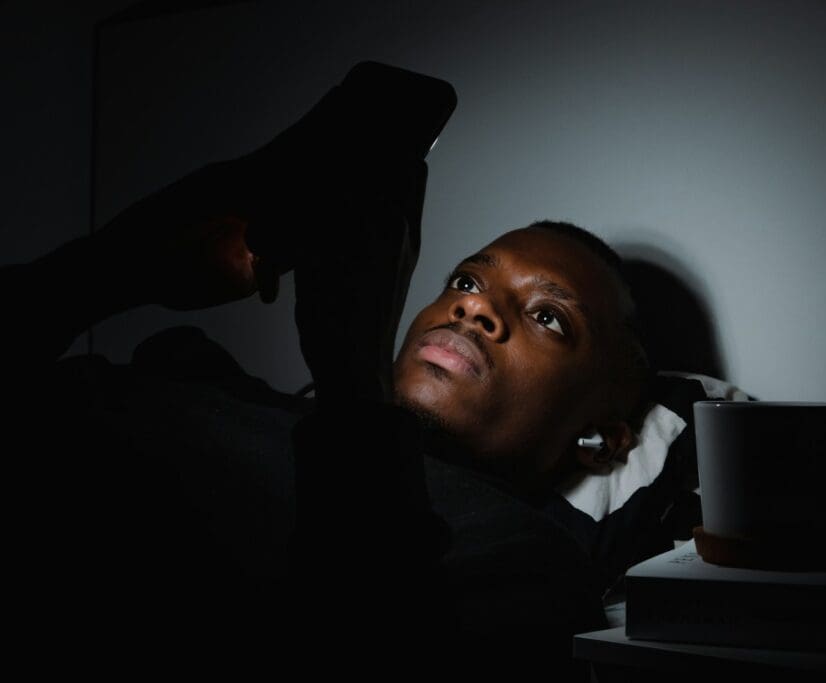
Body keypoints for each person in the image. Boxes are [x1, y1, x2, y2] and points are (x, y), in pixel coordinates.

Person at [1, 89, 656, 680]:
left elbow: (352, 644)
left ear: (602, 436)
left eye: (548, 317)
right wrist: (120, 267)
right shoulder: (200, 375)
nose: (474, 306)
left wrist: (354, 379)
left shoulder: (532, 569)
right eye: (465, 280)